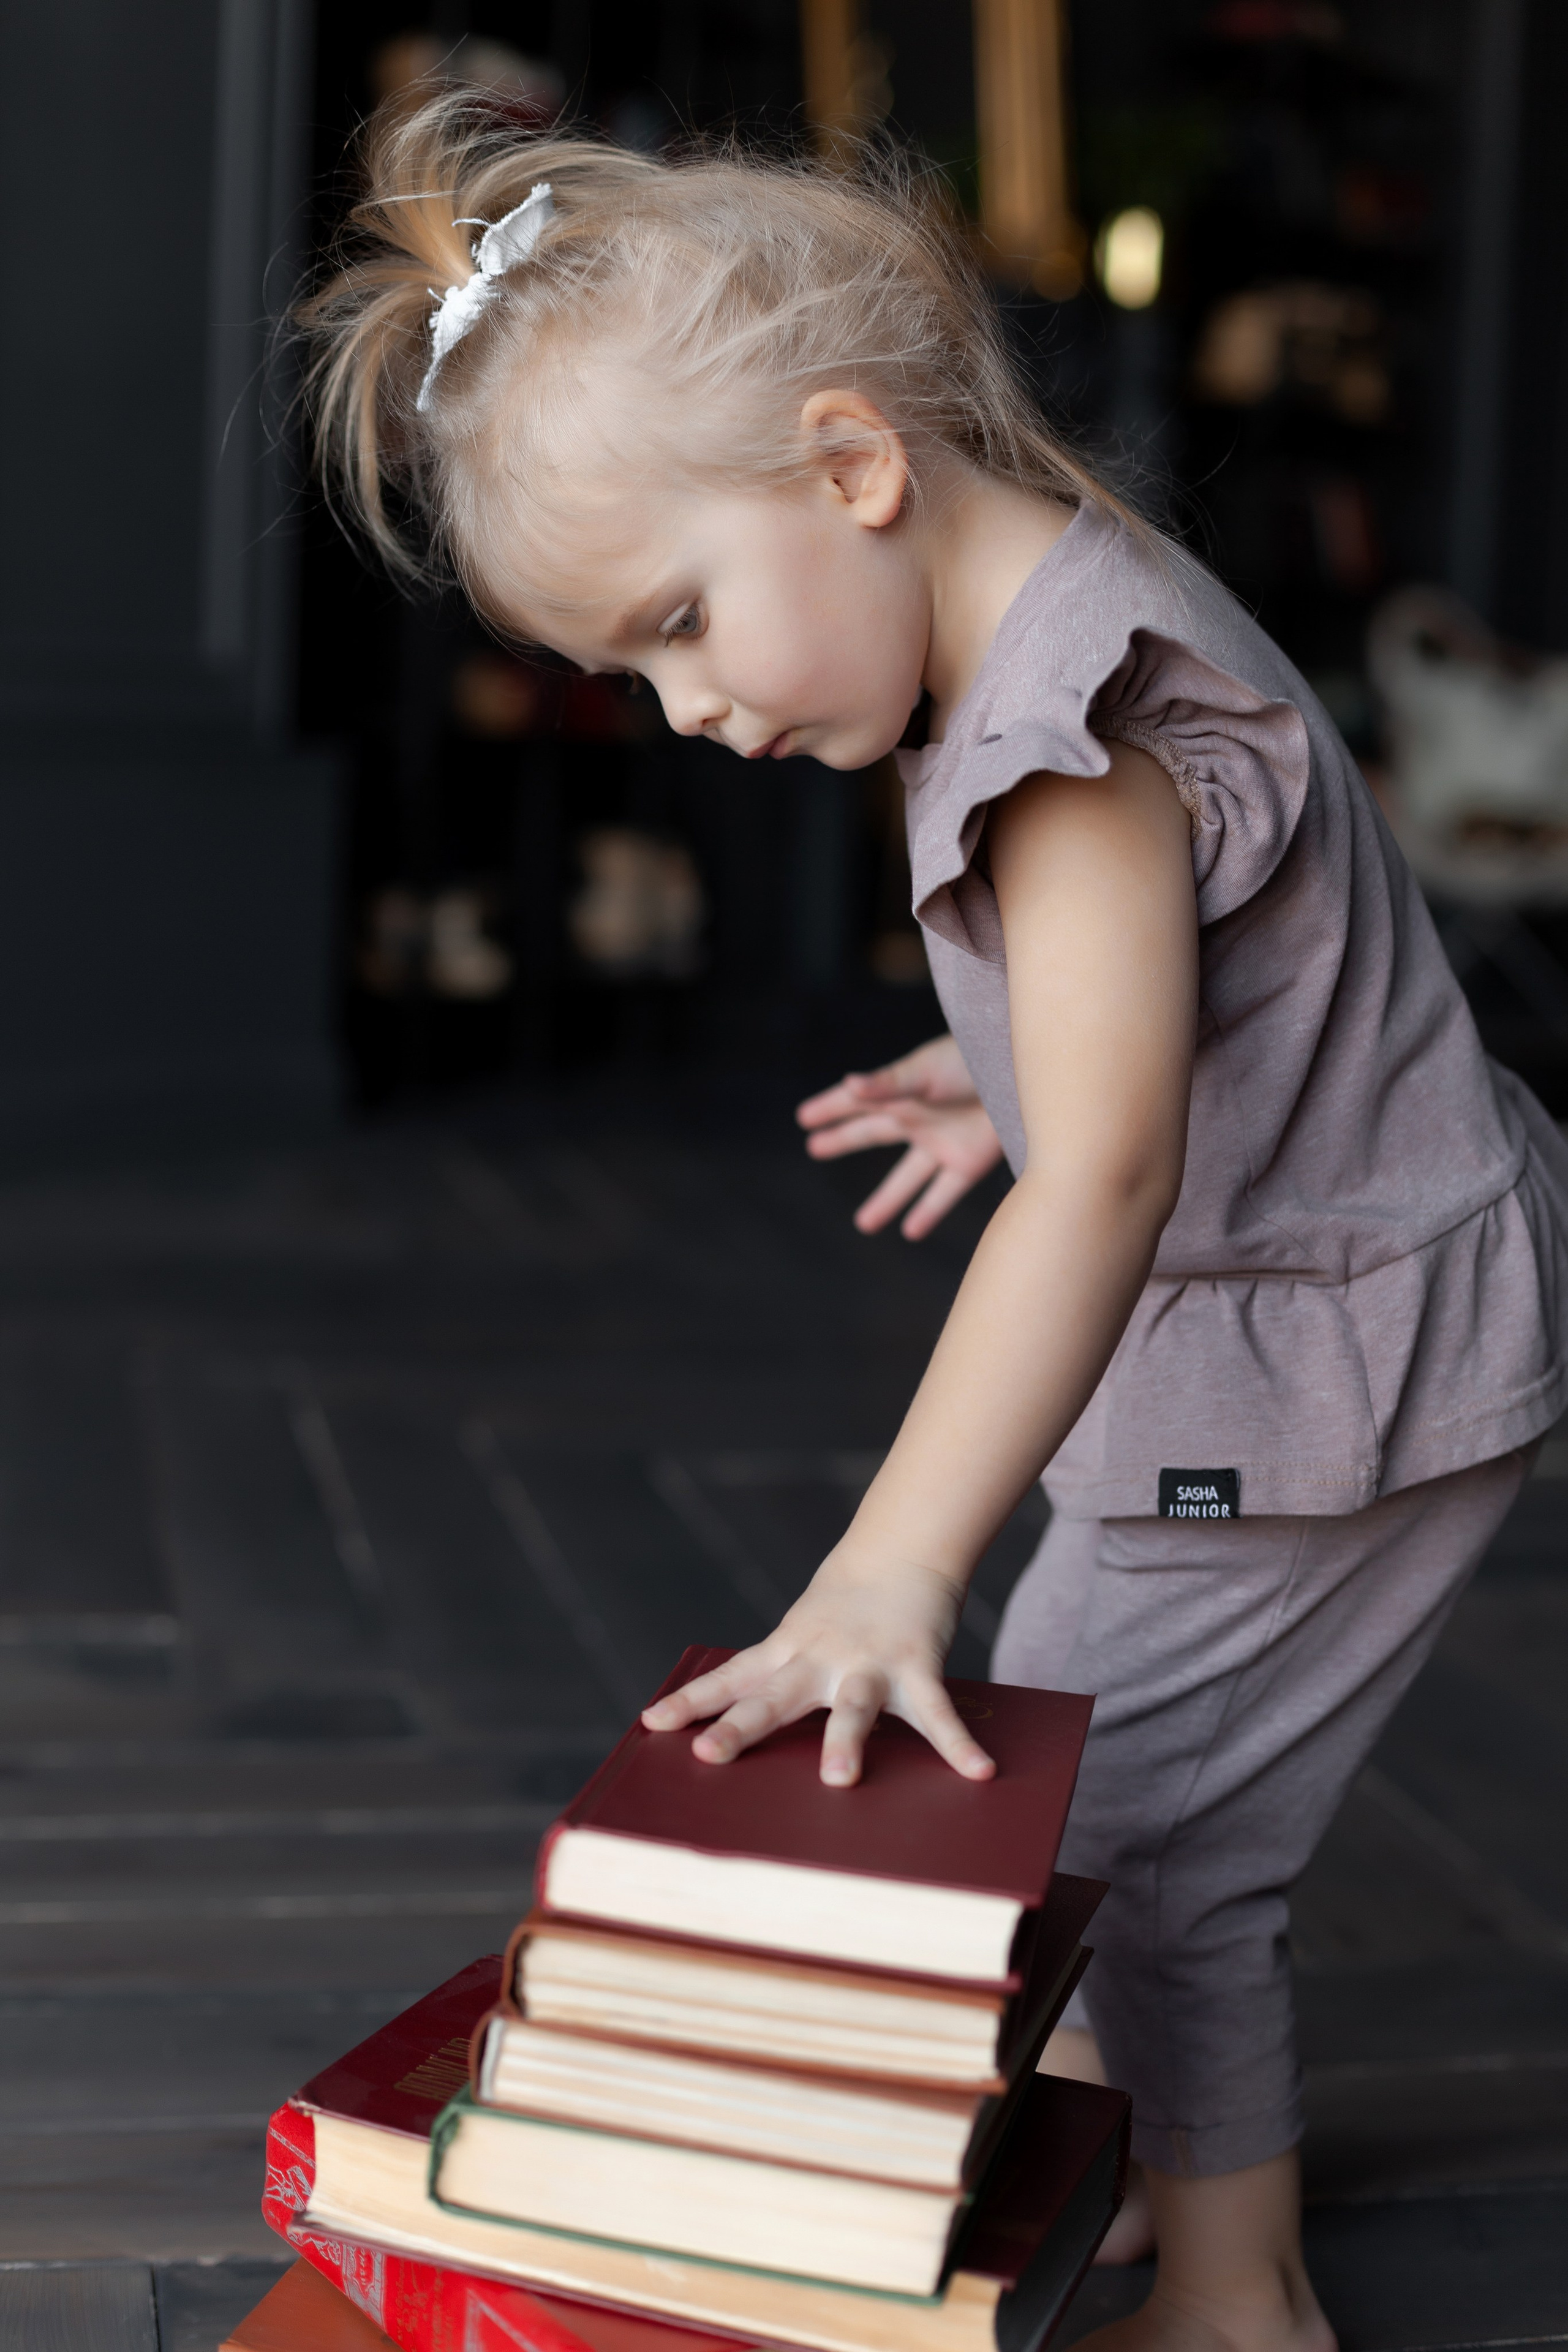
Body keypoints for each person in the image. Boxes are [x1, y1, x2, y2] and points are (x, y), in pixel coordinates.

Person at [301, 94, 1568, 2352]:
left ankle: (1241, 2296)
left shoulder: (1056, 745)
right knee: (1095, 1790)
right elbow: (1170, 1019)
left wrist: (895, 1556)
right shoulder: (1033, 572)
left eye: (686, 623)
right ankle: (1121, 2154)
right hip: (1335, 1286)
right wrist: (1009, 1082)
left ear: (855, 464)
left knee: (1153, 1847)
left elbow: (1114, 1171)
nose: (692, 709)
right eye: (637, 673)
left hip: (1324, 1355)